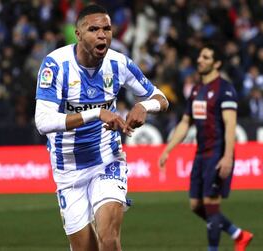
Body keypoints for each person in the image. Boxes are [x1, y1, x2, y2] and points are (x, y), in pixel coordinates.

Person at [34, 4, 168, 251]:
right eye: (93, 29)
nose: (102, 34)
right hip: (68, 169)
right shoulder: (56, 65)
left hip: (107, 159)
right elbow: (43, 122)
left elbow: (161, 98)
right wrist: (96, 113)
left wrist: (144, 107)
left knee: (109, 240)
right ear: (78, 34)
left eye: (106, 28)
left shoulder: (119, 63)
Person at [159, 44, 253, 251]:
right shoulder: (196, 90)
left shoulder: (225, 90)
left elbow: (230, 125)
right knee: (196, 205)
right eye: (200, 56)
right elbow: (185, 123)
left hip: (217, 154)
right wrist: (168, 149)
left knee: (211, 205)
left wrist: (228, 157)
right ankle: (239, 234)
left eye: (206, 57)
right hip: (201, 154)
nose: (200, 60)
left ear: (217, 63)